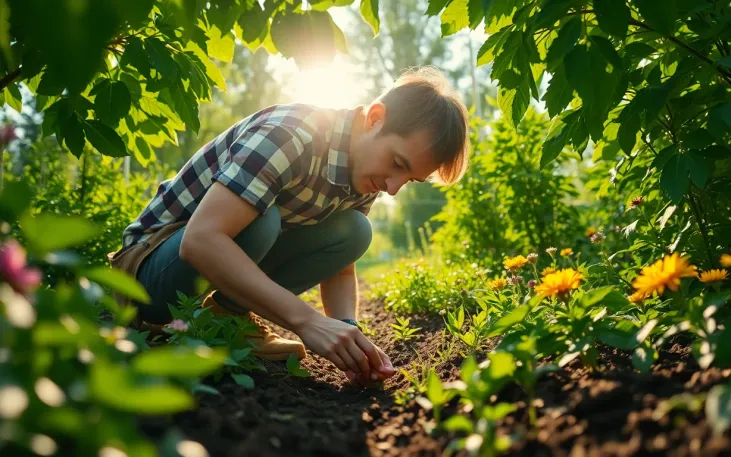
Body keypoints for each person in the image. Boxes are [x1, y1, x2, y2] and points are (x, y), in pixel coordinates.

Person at [108, 66, 470, 387]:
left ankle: (225, 318)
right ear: (375, 118)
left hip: (203, 272)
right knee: (263, 218)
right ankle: (169, 328)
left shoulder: (363, 173)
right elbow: (200, 241)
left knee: (356, 230)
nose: (393, 187)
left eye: (409, 179)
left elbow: (341, 270)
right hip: (146, 280)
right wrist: (308, 322)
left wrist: (348, 334)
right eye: (396, 163)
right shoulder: (290, 134)